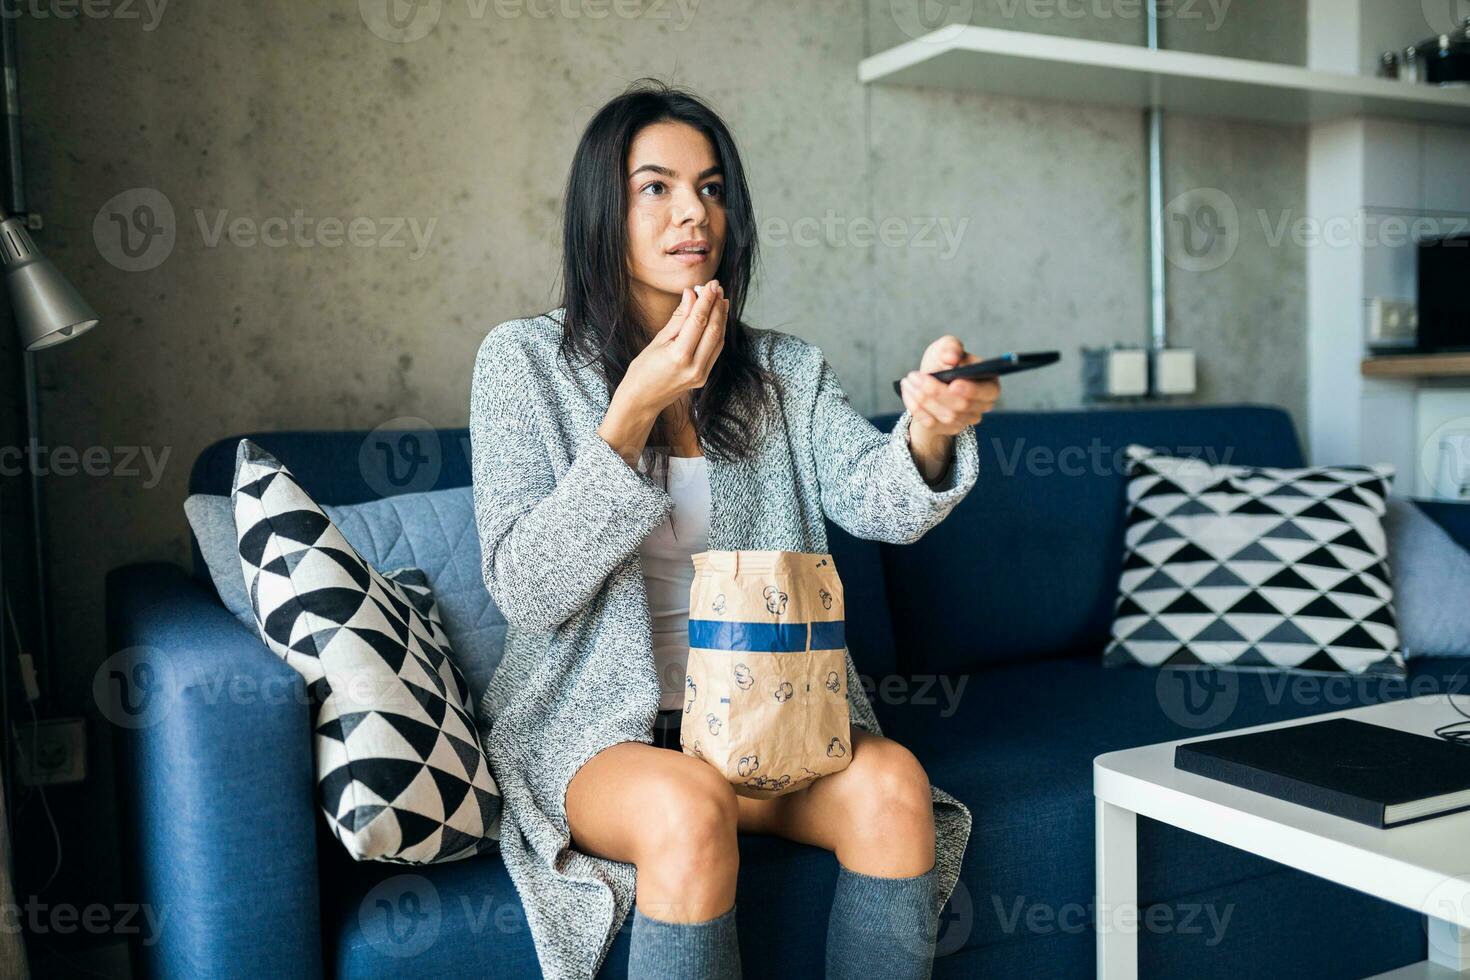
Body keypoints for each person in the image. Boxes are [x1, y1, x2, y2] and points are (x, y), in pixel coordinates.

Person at [470, 78, 998, 980]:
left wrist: (932, 432)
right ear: (604, 207)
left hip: (770, 716)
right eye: (657, 187)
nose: (693, 213)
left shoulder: (783, 372)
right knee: (687, 801)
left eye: (711, 188)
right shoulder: (522, 363)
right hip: (599, 738)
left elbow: (880, 498)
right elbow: (527, 586)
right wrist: (630, 413)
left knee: (896, 787)